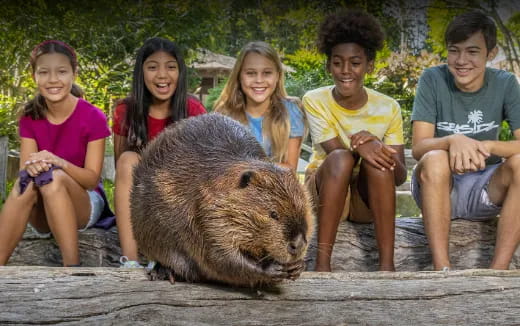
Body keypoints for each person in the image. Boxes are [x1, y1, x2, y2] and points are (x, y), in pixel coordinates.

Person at [411, 10, 520, 271]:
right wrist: (452, 140)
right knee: (435, 158)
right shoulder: (432, 79)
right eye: (454, 50)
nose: (461, 60)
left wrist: (489, 147)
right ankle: (442, 269)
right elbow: (419, 147)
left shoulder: (505, 83)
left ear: (490, 54)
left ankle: (499, 271)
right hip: (438, 188)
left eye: (472, 51)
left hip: (486, 190)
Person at [303, 9, 407, 272]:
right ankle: (322, 265)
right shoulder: (314, 100)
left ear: (369, 66)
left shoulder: (389, 107)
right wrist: (364, 146)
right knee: (341, 158)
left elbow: (400, 176)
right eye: (337, 63)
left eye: (355, 63)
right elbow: (339, 154)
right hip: (326, 192)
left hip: (364, 200)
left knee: (380, 164)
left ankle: (387, 267)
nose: (345, 71)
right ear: (328, 65)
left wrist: (377, 147)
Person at [0, 40, 111, 267]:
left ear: (73, 73)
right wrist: (33, 167)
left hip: (84, 202)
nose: (53, 80)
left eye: (61, 71)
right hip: (42, 206)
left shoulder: (93, 117)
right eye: (44, 72)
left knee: (52, 176)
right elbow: (25, 171)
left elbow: (91, 180)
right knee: (28, 179)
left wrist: (59, 162)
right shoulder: (30, 117)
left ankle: (72, 268)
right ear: (34, 77)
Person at [113, 37, 206, 268]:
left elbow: (201, 172)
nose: (162, 75)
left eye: (171, 67)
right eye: (153, 67)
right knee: (127, 159)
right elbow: (121, 167)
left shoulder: (193, 110)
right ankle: (130, 261)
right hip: (141, 202)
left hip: (181, 201)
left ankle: (169, 259)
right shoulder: (126, 110)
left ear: (180, 72)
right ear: (141, 73)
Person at [214, 41, 306, 170]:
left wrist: (247, 166)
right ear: (239, 76)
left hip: (275, 186)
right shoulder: (224, 115)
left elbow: (290, 169)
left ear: (278, 76)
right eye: (250, 73)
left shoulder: (291, 111)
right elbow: (219, 166)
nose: (259, 80)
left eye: (267, 73)